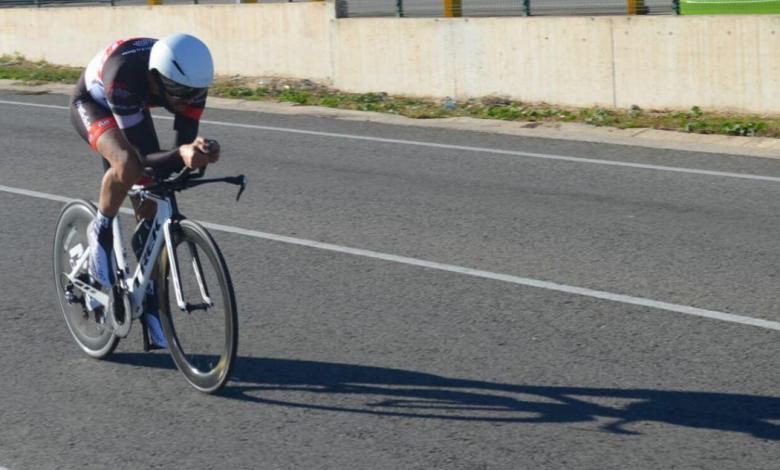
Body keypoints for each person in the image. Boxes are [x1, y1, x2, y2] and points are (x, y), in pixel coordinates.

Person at [69, 33, 221, 348]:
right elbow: (143, 159)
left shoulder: (190, 87)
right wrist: (181, 154)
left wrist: (199, 154)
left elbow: (180, 151)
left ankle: (150, 298)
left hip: (133, 100)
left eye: (193, 93)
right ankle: (101, 228)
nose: (185, 100)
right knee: (128, 164)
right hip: (94, 101)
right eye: (178, 92)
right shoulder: (125, 77)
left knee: (152, 195)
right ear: (156, 78)